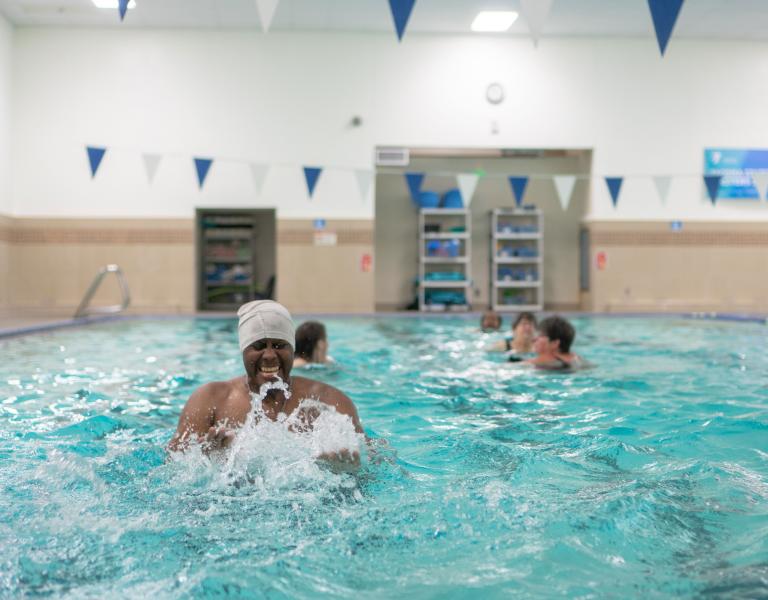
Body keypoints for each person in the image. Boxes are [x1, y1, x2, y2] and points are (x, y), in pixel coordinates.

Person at [167, 300, 363, 469]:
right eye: (259, 346)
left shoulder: (330, 401)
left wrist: (346, 474)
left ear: (292, 349)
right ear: (243, 351)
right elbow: (172, 469)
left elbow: (375, 466)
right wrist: (207, 461)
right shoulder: (210, 399)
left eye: (279, 345)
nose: (269, 355)